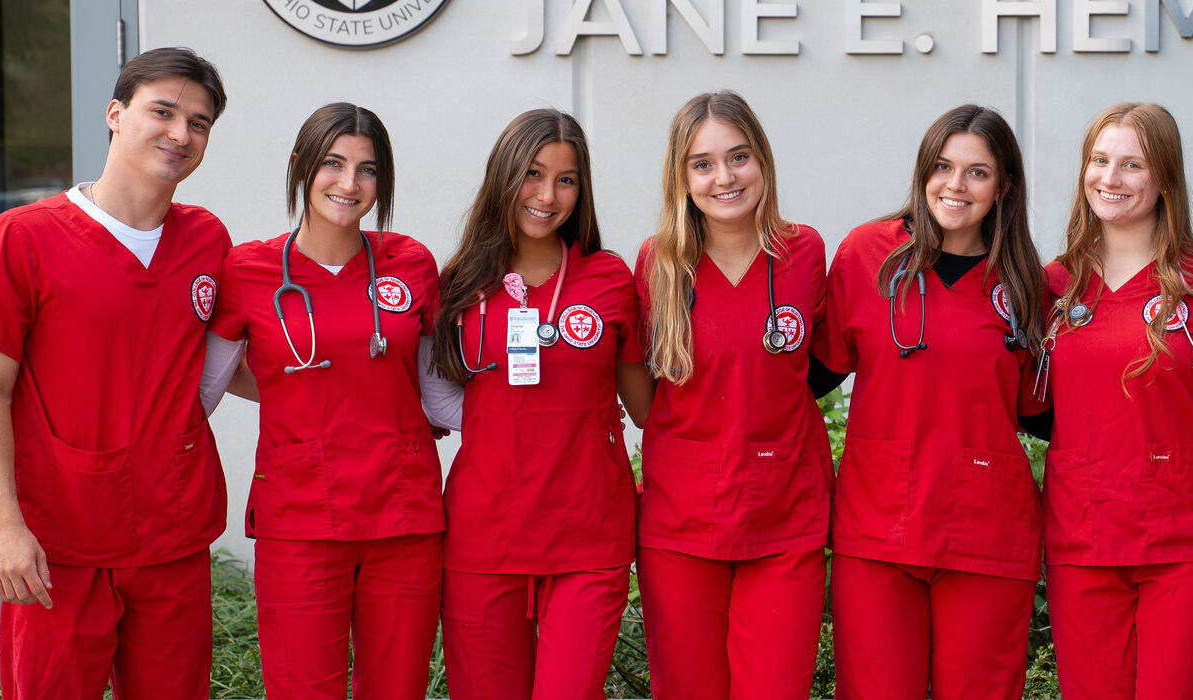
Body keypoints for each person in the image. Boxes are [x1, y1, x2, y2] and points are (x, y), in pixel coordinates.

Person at [0, 47, 229, 699]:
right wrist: (7, 527)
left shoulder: (206, 240)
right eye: (162, 112)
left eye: (199, 123)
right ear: (115, 114)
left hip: (172, 536)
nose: (180, 134)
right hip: (59, 543)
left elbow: (230, 358)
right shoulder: (23, 238)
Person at [203, 103, 450, 699]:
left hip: (403, 517)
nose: (349, 183)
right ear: (300, 166)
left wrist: (558, 410)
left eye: (368, 169)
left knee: (398, 690)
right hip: (301, 519)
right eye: (333, 163)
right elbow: (204, 389)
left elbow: (437, 394)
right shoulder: (248, 269)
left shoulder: (411, 262)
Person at [813, 104, 1050, 700]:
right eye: (942, 166)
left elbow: (1042, 412)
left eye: (978, 172)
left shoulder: (1026, 281)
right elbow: (804, 377)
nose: (956, 184)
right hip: (877, 525)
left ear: (1004, 186)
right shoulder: (867, 254)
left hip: (987, 530)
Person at [427, 109, 654, 699]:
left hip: (588, 538)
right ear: (503, 175)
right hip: (483, 539)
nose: (547, 196)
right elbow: (433, 393)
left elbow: (649, 412)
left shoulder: (609, 278)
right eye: (532, 173)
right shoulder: (458, 284)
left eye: (566, 180)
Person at [1039, 102, 1193, 699]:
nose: (1111, 178)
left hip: (1188, 536)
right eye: (1099, 160)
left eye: (1132, 164)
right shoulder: (1054, 284)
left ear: (1165, 178)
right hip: (1083, 532)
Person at [634, 91, 832, 700]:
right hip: (681, 519)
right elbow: (644, 393)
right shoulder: (658, 264)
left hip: (785, 514)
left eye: (738, 157)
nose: (724, 177)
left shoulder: (804, 252)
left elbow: (816, 367)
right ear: (682, 177)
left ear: (762, 160)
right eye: (703, 164)